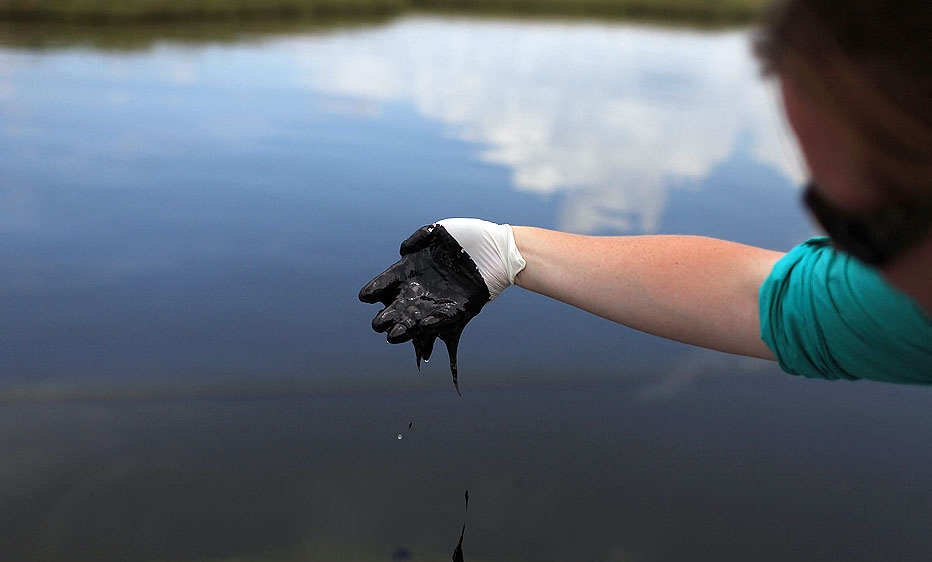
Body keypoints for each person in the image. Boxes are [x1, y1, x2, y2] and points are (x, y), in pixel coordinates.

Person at [360, 0, 932, 384]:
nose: (862, 262)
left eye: (873, 230)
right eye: (833, 218)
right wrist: (504, 251)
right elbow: (770, 302)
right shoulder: (913, 303)